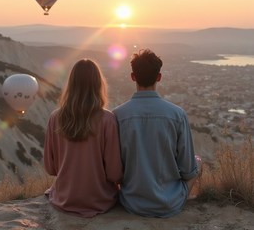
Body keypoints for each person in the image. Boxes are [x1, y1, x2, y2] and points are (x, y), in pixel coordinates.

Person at [113, 49, 199, 218]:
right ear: (159, 77)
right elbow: (188, 170)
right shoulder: (177, 114)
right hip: (170, 203)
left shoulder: (117, 115)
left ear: (133, 77)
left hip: (131, 202)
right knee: (198, 164)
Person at [44, 59, 123, 218]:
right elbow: (114, 174)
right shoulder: (107, 119)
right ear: (98, 84)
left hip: (64, 199)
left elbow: (50, 168)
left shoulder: (55, 117)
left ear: (71, 84)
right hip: (100, 200)